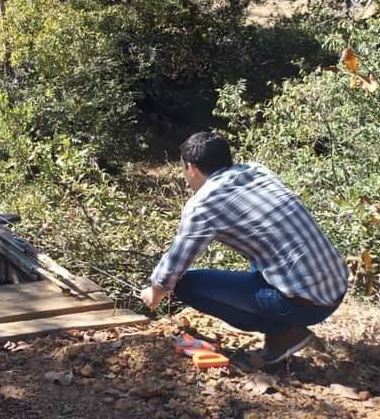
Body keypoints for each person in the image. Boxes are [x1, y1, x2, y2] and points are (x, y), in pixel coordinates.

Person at [140, 131, 348, 365]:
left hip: (308, 305)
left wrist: (155, 292)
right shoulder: (256, 170)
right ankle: (285, 326)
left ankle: (284, 333)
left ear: (192, 168)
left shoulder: (203, 204)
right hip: (337, 288)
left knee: (184, 284)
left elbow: (175, 265)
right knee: (262, 241)